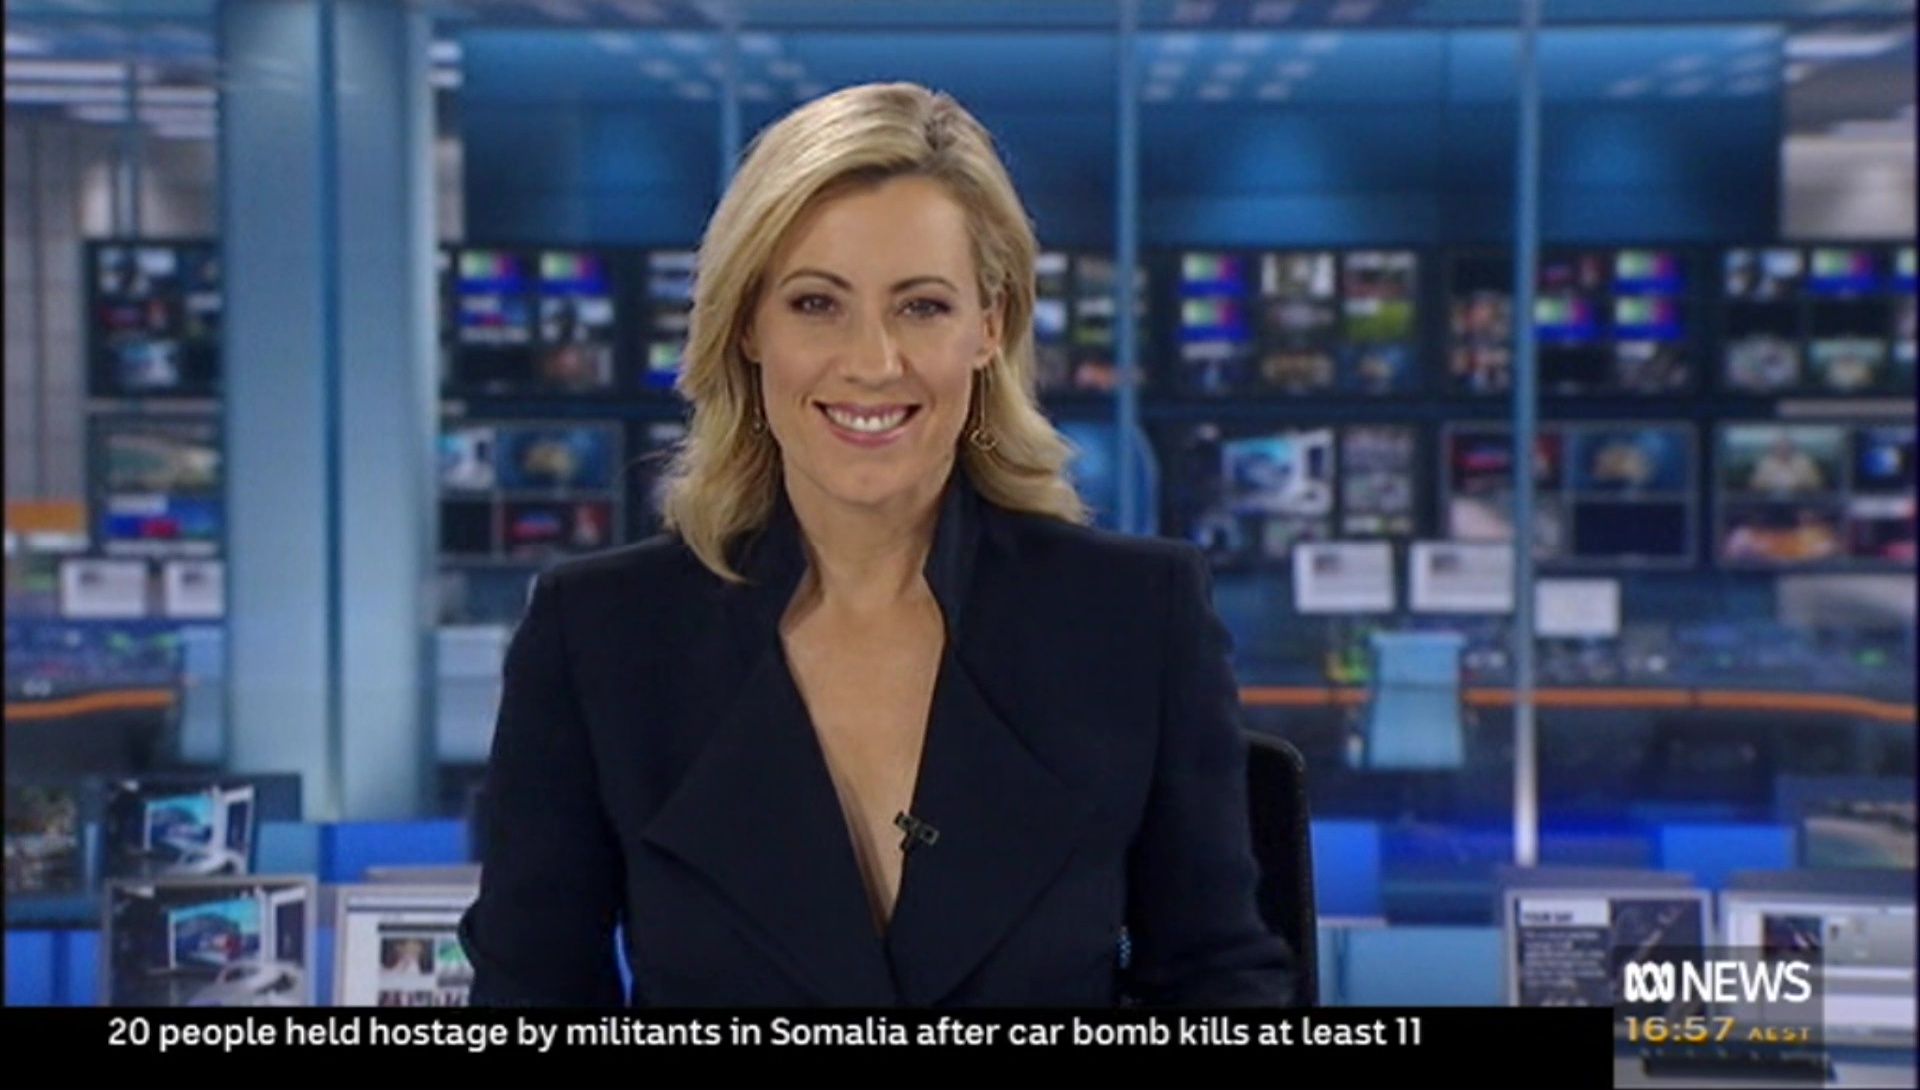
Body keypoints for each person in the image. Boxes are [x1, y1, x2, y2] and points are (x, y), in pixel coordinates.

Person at [459, 82, 1296, 1008]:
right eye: (817, 303)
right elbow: (531, 997)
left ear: (990, 326)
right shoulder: (599, 635)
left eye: (921, 307)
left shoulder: (1136, 618)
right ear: (748, 325)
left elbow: (1219, 983)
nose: (871, 362)